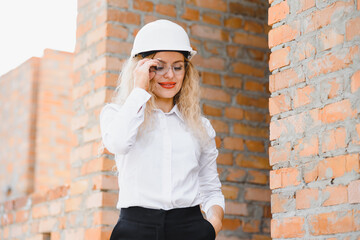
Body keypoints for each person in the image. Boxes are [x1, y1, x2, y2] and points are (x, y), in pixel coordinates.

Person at [99, 19, 225, 240]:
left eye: (178, 66)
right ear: (141, 68)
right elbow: (118, 143)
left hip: (190, 228)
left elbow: (210, 185)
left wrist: (212, 226)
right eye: (158, 67)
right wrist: (139, 90)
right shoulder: (118, 114)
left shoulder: (200, 126)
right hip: (135, 230)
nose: (170, 75)